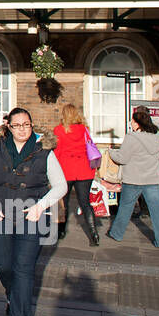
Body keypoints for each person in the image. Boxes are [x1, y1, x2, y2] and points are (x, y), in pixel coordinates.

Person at [0, 107, 67, 316]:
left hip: (32, 217)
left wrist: (41, 206)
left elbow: (61, 186)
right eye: (17, 125)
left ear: (32, 125)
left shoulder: (44, 152)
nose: (22, 129)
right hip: (1, 215)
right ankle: (13, 295)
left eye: (26, 124)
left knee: (23, 269)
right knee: (3, 265)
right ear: (8, 126)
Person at [106, 107, 159, 248]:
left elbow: (122, 158)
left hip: (133, 179)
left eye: (132, 121)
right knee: (157, 210)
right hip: (153, 180)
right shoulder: (156, 138)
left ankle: (116, 233)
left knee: (125, 207)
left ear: (137, 123)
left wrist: (111, 152)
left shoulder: (132, 137)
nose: (131, 123)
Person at [52, 103, 99, 245]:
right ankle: (94, 234)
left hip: (66, 170)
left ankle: (60, 231)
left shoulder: (59, 130)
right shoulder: (84, 130)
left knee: (62, 203)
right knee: (85, 202)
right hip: (84, 170)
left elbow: (57, 152)